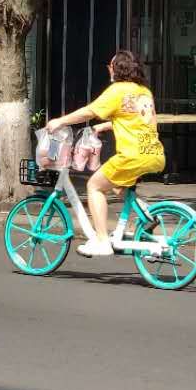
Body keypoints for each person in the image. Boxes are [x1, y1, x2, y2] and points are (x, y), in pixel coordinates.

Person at [47, 49, 164, 258]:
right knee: (117, 186)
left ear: (117, 69)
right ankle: (148, 215)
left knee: (94, 186)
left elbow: (89, 111)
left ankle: (102, 241)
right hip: (154, 154)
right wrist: (105, 126)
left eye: (110, 66)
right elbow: (139, 120)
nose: (109, 70)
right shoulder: (144, 91)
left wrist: (60, 121)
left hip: (131, 155)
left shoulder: (117, 90)